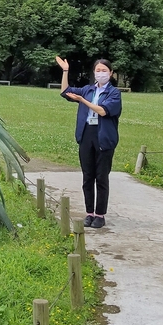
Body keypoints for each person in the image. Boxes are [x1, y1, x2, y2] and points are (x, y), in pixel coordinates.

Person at [56, 56, 123, 228]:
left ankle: (100, 215)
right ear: (94, 72)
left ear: (111, 73)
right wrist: (65, 71)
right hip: (87, 134)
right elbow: (65, 91)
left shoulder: (114, 93)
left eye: (104, 70)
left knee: (101, 177)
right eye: (98, 70)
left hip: (104, 136)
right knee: (87, 177)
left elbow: (103, 111)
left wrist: (83, 101)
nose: (101, 73)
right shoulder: (88, 89)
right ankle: (89, 213)